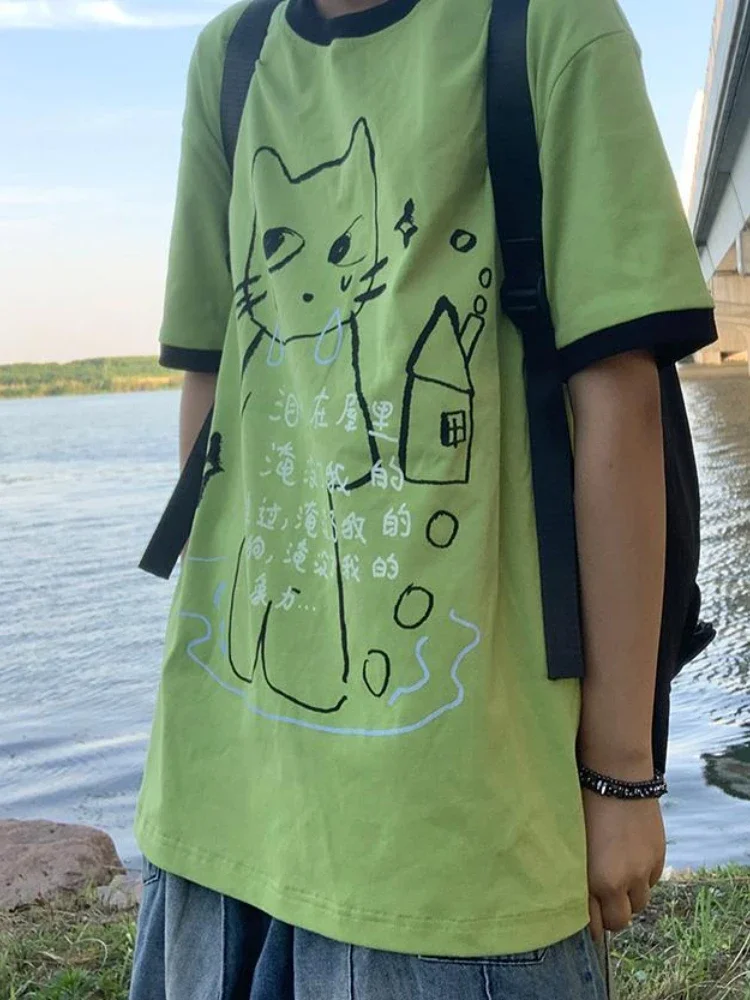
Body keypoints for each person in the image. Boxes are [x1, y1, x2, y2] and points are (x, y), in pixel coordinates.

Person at [129, 0, 718, 997]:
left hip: (457, 835)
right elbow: (212, 378)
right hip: (218, 799)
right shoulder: (229, 56)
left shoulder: (550, 26)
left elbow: (620, 400)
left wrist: (621, 775)